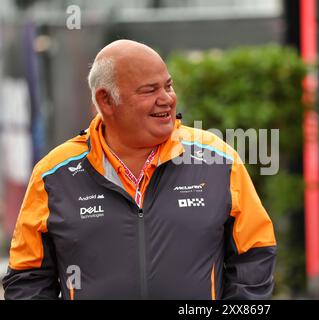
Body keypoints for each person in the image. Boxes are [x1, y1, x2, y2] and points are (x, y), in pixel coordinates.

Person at [2, 40, 277, 300]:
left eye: (168, 86)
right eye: (149, 90)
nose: (167, 99)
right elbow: (28, 276)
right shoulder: (53, 174)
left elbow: (254, 254)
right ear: (107, 101)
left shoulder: (217, 159)